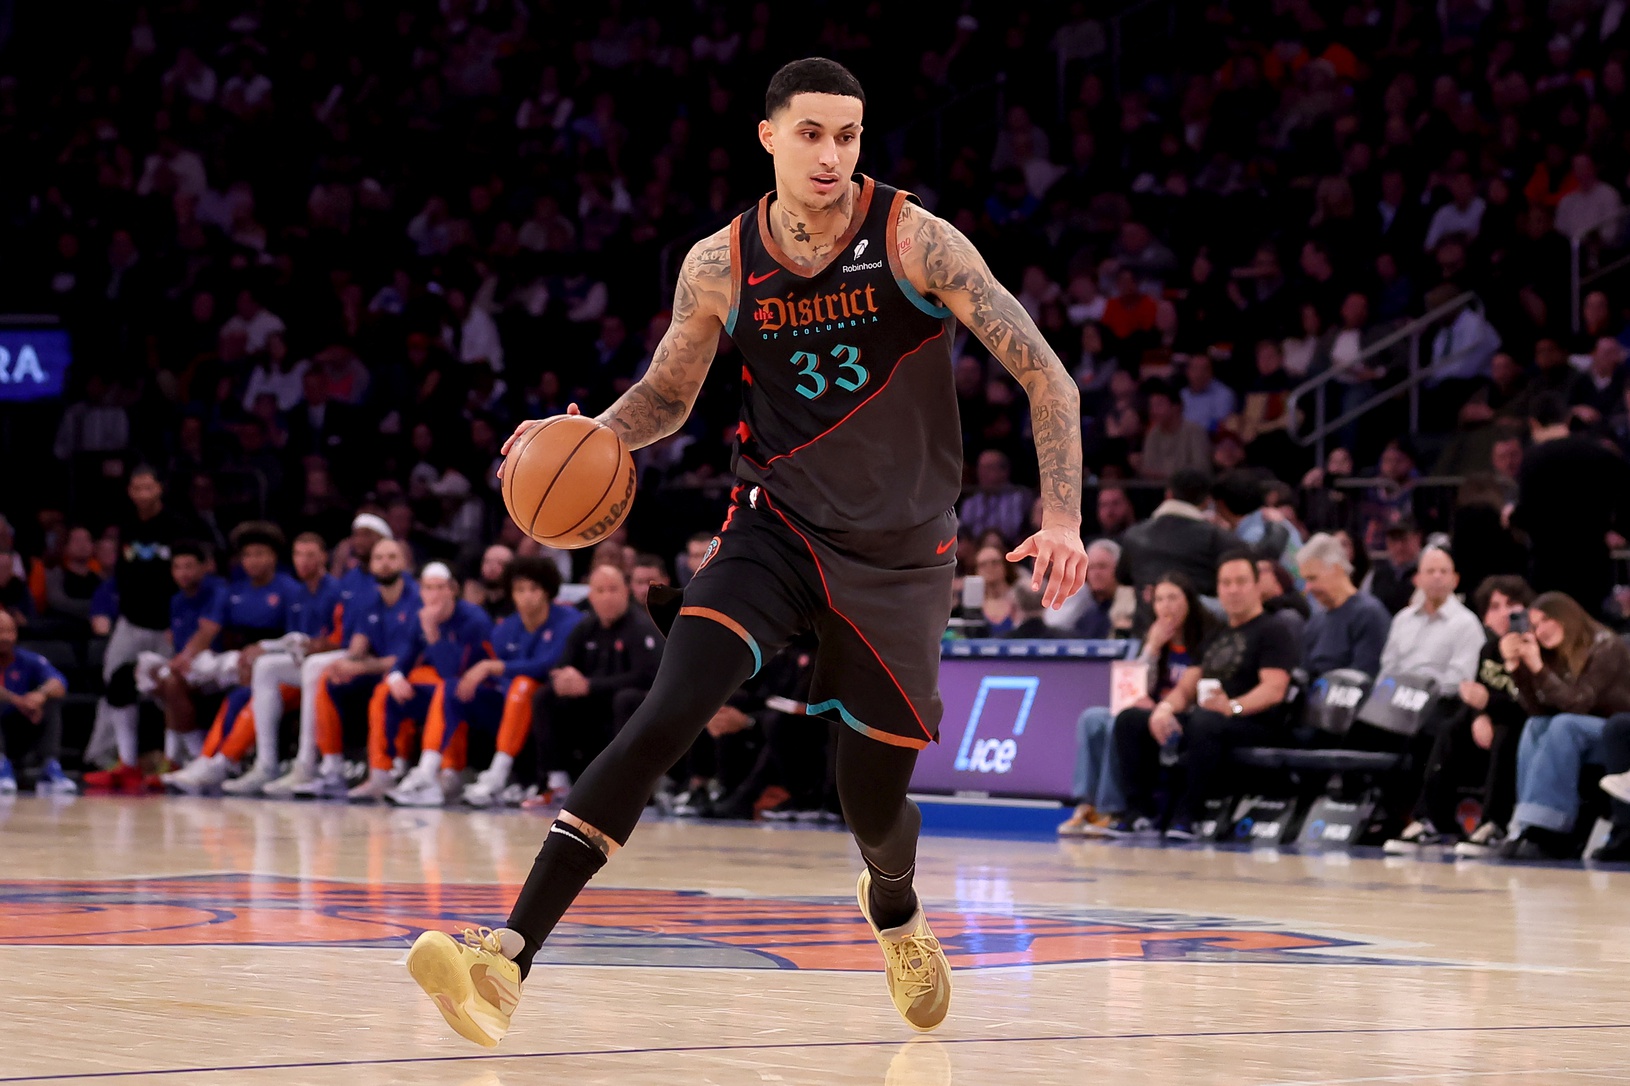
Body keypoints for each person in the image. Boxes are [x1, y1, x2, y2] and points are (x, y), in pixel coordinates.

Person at [408, 58, 1087, 1044]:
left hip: (901, 562)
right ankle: (504, 957)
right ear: (769, 136)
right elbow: (670, 398)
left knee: (872, 805)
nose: (831, 153)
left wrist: (1060, 517)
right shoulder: (719, 262)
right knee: (665, 712)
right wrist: (586, 436)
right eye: (811, 133)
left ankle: (892, 905)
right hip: (775, 530)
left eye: (848, 135)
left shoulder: (914, 239)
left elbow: (1048, 380)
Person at [1111, 551, 1299, 839]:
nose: (1233, 590)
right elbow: (1187, 687)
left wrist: (1232, 707)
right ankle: (1139, 812)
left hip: (1255, 722)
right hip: (1210, 721)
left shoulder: (1274, 630)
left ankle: (1189, 815)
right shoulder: (1216, 635)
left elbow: (1274, 689)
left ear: (1256, 586)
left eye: (1241, 582)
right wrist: (1164, 709)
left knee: (1204, 719)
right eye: (1226, 583)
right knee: (1131, 720)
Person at [1386, 576, 1534, 855]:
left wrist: (1487, 704)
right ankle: (1430, 820)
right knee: (1450, 727)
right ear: (1486, 617)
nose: (1504, 613)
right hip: (1491, 724)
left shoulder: (1534, 649)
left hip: (1523, 727)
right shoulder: (1488, 650)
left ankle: (1495, 824)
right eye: (1495, 607)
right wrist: (1479, 713)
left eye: (1512, 605)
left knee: (1505, 731)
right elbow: (1481, 691)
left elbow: (1529, 704)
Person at [1058, 572, 1211, 837]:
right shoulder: (1154, 640)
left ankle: (1112, 808)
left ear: (1189, 601)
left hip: (1178, 717)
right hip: (1147, 713)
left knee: (1124, 720)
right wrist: (1152, 646)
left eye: (1173, 598)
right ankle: (1087, 804)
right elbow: (1132, 687)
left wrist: (1158, 708)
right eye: (1160, 599)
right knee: (1093, 718)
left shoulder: (1205, 642)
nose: (1166, 606)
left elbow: (1197, 693)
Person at [161, 522, 302, 793]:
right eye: (247, 555)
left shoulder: (289, 590)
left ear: (273, 557)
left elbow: (297, 639)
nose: (253, 561)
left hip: (274, 664)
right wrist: (185, 657)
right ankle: (195, 757)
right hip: (234, 662)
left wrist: (264, 651)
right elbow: (208, 629)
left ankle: (220, 760)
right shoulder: (233, 590)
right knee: (172, 679)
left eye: (260, 554)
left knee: (239, 697)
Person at [262, 514, 395, 796]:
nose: (360, 540)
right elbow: (355, 628)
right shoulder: (349, 579)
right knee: (267, 667)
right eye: (356, 534)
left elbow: (364, 633)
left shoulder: (383, 584)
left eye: (368, 535)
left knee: (314, 668)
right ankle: (267, 763)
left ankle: (308, 763)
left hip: (377, 659)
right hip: (351, 652)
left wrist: (354, 657)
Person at [1497, 592, 1630, 860]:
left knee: (1564, 725)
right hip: (1584, 735)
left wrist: (1538, 668)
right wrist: (1517, 669)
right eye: (1534, 626)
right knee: (1536, 725)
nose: (1541, 630)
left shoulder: (1606, 646)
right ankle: (1525, 824)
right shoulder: (1555, 655)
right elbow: (1537, 709)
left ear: (1567, 616)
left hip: (1618, 736)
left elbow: (1578, 703)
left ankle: (1550, 830)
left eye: (1547, 620)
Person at [451, 557, 584, 808]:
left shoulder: (569, 621)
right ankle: (441, 773)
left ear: (547, 591)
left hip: (557, 702)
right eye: (520, 590)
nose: (527, 597)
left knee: (524, 684)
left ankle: (497, 774)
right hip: (511, 703)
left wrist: (495, 666)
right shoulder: (503, 630)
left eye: (533, 589)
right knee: (453, 691)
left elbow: (549, 665)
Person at [291, 539, 420, 798]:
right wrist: (344, 664)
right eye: (379, 558)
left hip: (407, 671)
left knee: (389, 691)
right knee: (329, 679)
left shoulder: (416, 599)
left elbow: (408, 657)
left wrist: (360, 668)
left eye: (392, 557)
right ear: (371, 564)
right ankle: (332, 766)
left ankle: (387, 769)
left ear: (404, 562)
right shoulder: (369, 600)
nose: (385, 564)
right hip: (376, 669)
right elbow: (357, 648)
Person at [525, 564, 663, 803]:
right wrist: (563, 679)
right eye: (600, 590)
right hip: (591, 709)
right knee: (545, 696)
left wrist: (589, 685)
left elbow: (646, 676)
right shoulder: (585, 627)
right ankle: (554, 780)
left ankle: (626, 786)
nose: (607, 597)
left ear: (626, 592)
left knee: (626, 699)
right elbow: (561, 667)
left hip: (627, 710)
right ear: (590, 596)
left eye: (613, 589)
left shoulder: (640, 627)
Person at [84, 467, 180, 789]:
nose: (142, 493)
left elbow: (187, 575)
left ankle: (179, 759)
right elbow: (121, 578)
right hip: (130, 621)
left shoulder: (177, 526)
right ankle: (106, 756)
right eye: (136, 487)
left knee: (173, 689)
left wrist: (179, 623)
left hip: (167, 624)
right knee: (114, 684)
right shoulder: (126, 527)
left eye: (148, 487)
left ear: (159, 490)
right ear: (129, 491)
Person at [1512, 392, 1630, 616]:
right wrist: (1618, 528)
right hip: (1593, 563)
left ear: (1533, 424)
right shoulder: (1598, 454)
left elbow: (1528, 513)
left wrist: (1511, 516)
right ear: (1567, 420)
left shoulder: (1533, 460)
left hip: (1548, 566)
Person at [1376, 547, 1484, 688]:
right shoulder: (1402, 619)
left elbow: (1460, 680)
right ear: (1417, 579)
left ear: (1455, 580)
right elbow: (1387, 670)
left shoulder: (1467, 624)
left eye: (1443, 571)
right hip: (1396, 701)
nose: (1437, 576)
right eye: (1430, 571)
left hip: (1439, 703)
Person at [1114, 468, 1232, 595]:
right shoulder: (1217, 537)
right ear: (1207, 500)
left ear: (1168, 495)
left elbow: (1122, 577)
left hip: (1146, 613)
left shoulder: (1134, 535)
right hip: (1202, 613)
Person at [0, 610, 73, 795]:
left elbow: (58, 682)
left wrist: (40, 695)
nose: (6, 637)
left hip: (21, 729)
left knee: (51, 702)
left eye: (10, 631)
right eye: (1, 631)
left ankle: (50, 766)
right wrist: (17, 700)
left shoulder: (26, 659)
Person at [1298, 533, 1391, 677]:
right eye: (1306, 580)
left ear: (1336, 569)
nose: (1308, 587)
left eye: (1313, 578)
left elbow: (1366, 678)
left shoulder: (1369, 614)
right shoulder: (1315, 623)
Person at [464, 544, 516, 621]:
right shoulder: (471, 596)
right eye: (487, 562)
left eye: (500, 563)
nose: (492, 567)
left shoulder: (515, 602)